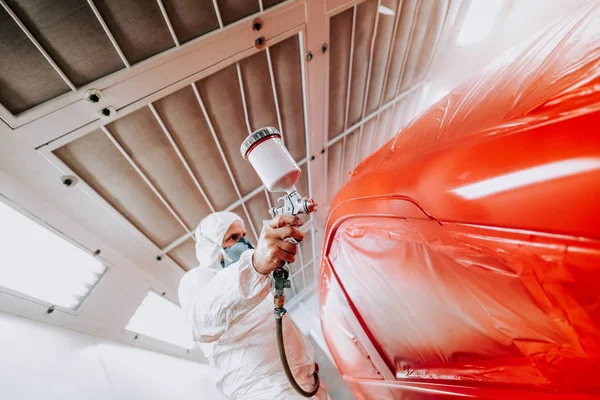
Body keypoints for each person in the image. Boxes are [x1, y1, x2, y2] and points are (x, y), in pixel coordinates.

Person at [178, 211, 329, 400]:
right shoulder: (198, 279)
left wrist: (304, 362)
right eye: (233, 237)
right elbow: (199, 321)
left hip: (305, 384)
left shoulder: (253, 286)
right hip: (269, 392)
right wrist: (255, 264)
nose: (244, 243)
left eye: (243, 236)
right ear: (211, 247)